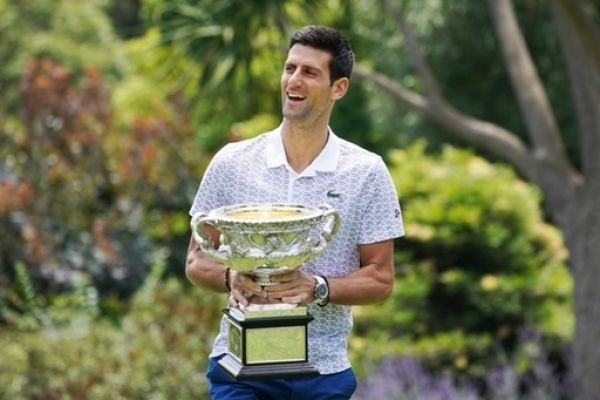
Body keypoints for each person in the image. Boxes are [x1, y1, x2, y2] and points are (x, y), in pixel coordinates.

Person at [186, 25, 404, 400]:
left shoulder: (367, 172)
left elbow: (381, 279)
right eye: (290, 68)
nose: (294, 80)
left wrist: (316, 287)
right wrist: (230, 278)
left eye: (310, 72)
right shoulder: (232, 162)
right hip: (241, 368)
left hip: (322, 371)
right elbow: (195, 260)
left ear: (339, 88)